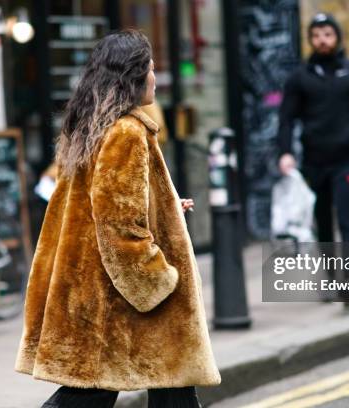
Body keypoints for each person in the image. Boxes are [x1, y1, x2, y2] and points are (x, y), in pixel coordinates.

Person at [14, 29, 220, 407]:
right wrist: (158, 280)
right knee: (100, 392)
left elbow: (103, 204)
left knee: (158, 386)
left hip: (94, 286)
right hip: (121, 294)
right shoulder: (126, 131)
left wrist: (167, 208)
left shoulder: (94, 126)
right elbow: (119, 227)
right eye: (151, 69)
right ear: (133, 77)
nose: (156, 78)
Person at [277, 13, 349, 309]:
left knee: (347, 221)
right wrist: (285, 152)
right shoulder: (300, 77)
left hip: (346, 162)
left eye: (328, 34)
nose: (322, 40)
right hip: (313, 164)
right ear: (310, 40)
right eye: (316, 35)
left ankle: (347, 284)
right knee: (323, 224)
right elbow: (285, 118)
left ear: (337, 37)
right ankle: (331, 279)